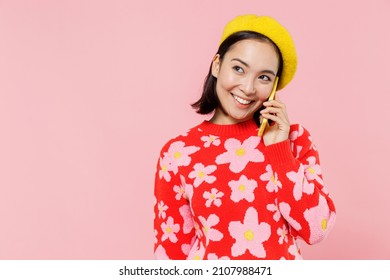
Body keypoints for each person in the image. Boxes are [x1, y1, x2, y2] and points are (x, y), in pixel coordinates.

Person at [153, 14, 336, 260]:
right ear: (217, 65)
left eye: (263, 77)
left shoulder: (294, 139)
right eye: (238, 69)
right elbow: (171, 253)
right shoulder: (178, 152)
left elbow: (316, 230)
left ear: (274, 87)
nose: (248, 88)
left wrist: (280, 151)